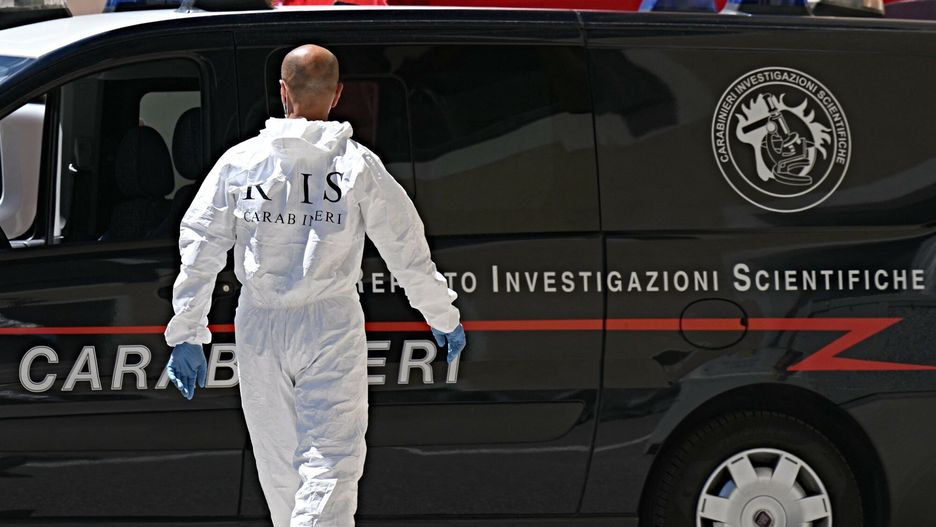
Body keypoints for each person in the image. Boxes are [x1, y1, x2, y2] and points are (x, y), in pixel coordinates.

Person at [162, 44, 466, 527]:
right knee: (331, 462)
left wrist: (188, 332)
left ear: (282, 92)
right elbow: (405, 244)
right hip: (329, 324)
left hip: (259, 325)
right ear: (338, 94)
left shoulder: (241, 163)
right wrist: (441, 313)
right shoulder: (358, 167)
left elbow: (200, 244)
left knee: (280, 469)